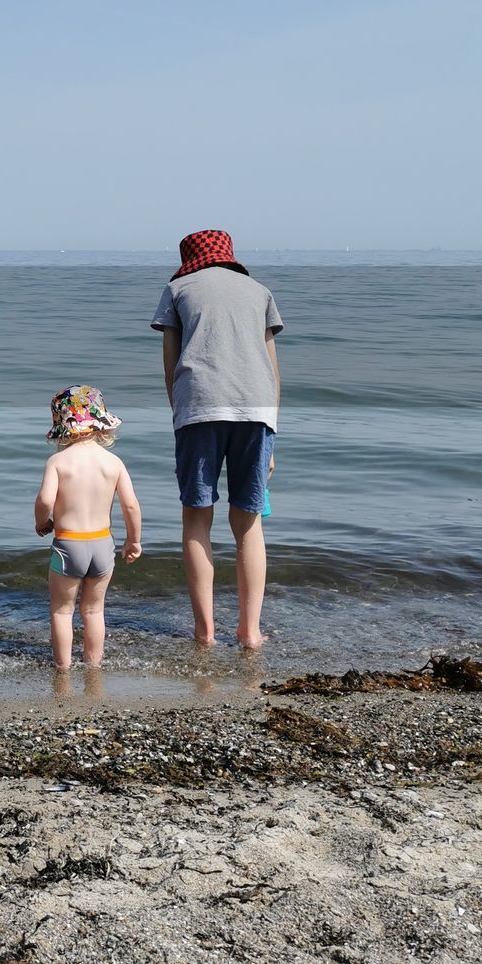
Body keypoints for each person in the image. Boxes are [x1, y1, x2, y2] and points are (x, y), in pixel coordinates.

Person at [150, 230, 283, 650]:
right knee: (249, 524)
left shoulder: (177, 288)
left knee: (196, 519)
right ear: (229, 256)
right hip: (257, 409)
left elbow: (171, 366)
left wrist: (181, 414)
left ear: (189, 258)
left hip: (199, 409)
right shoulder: (259, 291)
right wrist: (272, 436)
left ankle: (204, 632)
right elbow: (272, 369)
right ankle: (250, 631)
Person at [34, 386, 143, 669]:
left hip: (68, 543)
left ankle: (63, 667)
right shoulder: (113, 463)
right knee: (94, 610)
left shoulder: (58, 462)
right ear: (100, 423)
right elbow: (131, 505)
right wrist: (134, 541)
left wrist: (42, 522)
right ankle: (93, 666)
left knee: (62, 611)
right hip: (102, 544)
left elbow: (45, 499)